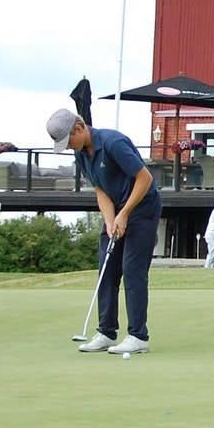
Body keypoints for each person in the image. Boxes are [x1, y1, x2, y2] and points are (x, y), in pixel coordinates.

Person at [50, 107, 160, 356]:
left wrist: (125, 213)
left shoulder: (113, 142)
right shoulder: (81, 155)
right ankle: (107, 332)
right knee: (107, 269)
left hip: (142, 206)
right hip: (116, 208)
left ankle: (138, 336)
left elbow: (145, 179)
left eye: (68, 140)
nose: (67, 146)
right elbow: (101, 190)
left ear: (78, 128)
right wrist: (111, 221)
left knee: (132, 269)